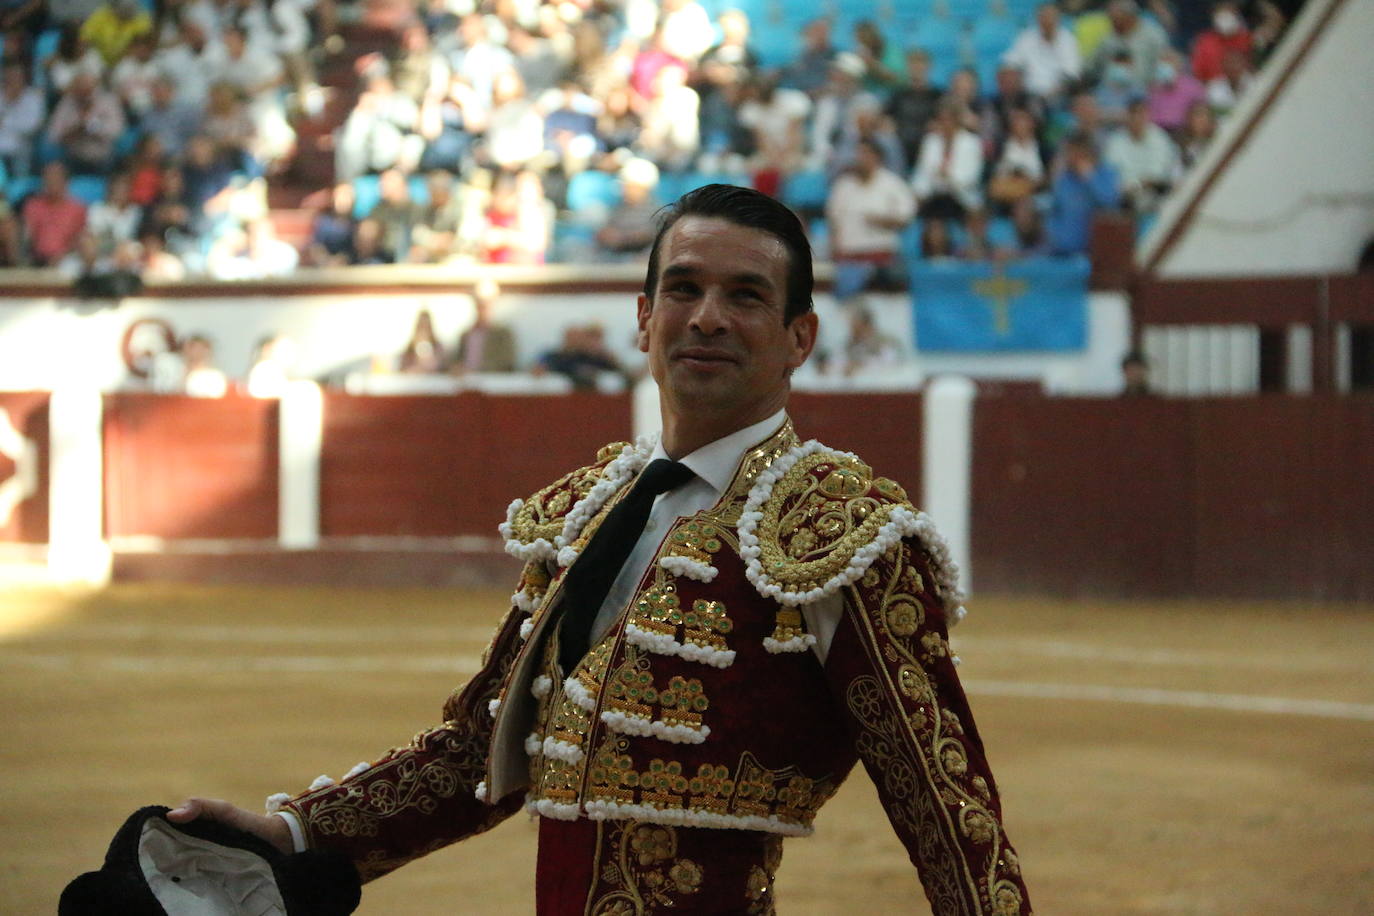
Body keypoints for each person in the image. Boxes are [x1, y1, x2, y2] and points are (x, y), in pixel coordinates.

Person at [167, 184, 1031, 915]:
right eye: (684, 290)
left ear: (799, 337)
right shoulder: (588, 511)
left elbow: (941, 801)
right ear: (644, 317)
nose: (708, 319)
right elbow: (481, 753)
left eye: (746, 296)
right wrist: (292, 834)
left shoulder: (837, 530)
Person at [452, 276, 518, 374]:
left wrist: (480, 369)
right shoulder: (466, 334)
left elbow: (507, 362)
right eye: (479, 304)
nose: (482, 309)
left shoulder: (503, 334)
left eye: (486, 304)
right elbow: (455, 360)